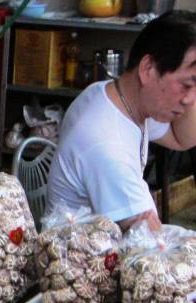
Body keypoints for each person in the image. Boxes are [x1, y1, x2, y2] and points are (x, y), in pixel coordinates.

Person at [47, 11, 196, 231]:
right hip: (82, 259)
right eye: (185, 85)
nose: (189, 100)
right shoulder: (107, 145)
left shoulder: (112, 96)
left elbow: (182, 138)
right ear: (148, 69)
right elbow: (150, 248)